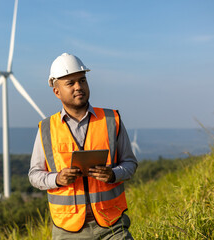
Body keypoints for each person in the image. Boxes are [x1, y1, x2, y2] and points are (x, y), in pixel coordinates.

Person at [28, 53, 138, 240]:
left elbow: (130, 164)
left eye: (82, 80)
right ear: (57, 91)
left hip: (112, 225)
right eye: (70, 83)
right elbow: (34, 175)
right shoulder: (46, 129)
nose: (79, 87)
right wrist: (57, 179)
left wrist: (113, 174)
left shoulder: (112, 120)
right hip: (68, 229)